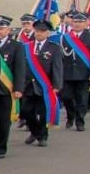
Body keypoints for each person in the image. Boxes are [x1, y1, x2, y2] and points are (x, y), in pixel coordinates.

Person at [18, 17, 64, 147]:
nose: (39, 33)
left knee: (43, 113)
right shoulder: (25, 47)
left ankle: (43, 136)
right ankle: (35, 131)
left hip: (45, 86)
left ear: (48, 33)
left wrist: (57, 85)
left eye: (43, 31)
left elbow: (57, 67)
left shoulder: (54, 48)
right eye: (37, 30)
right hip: (28, 86)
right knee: (26, 111)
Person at [0, 15, 25, 158]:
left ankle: (1, 147)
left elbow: (20, 69)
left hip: (6, 90)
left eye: (1, 28)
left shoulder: (16, 46)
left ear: (8, 30)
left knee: (4, 121)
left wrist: (18, 89)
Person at [58, 11, 90, 131]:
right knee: (66, 97)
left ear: (85, 23)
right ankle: (71, 115)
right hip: (67, 74)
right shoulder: (64, 37)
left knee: (81, 99)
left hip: (84, 73)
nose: (77, 24)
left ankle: (80, 121)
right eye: (75, 22)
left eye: (80, 22)